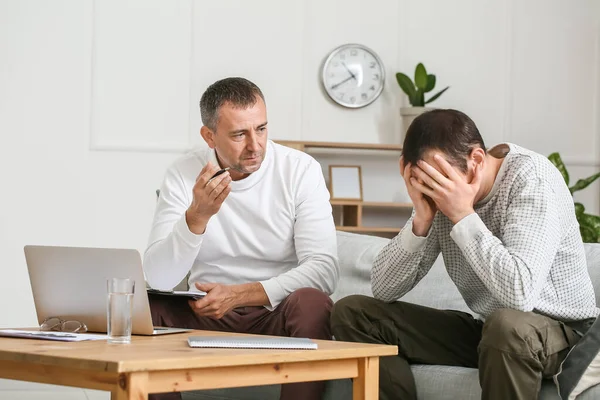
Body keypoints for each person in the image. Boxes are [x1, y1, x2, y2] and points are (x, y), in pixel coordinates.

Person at [331, 109, 599, 400]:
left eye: (439, 181)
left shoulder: (531, 178)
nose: (435, 193)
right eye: (424, 183)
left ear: (476, 161)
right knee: (354, 313)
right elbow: (383, 288)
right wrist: (421, 221)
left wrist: (463, 215)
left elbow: (520, 295)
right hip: (493, 333)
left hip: (564, 334)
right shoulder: (439, 194)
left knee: (506, 328)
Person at [144, 77, 339, 400]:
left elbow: (324, 270)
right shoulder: (183, 173)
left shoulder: (300, 170)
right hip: (206, 313)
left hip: (276, 312)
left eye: (261, 129)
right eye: (239, 134)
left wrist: (240, 295)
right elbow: (158, 277)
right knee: (148, 306)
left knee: (313, 303)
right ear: (209, 136)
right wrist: (197, 218)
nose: (255, 145)